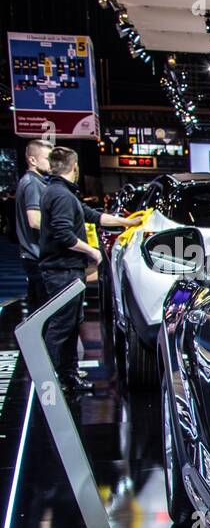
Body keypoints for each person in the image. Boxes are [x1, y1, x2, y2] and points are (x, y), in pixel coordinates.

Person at [38, 146, 141, 394]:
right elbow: (63, 233)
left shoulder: (60, 192)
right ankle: (50, 381)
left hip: (65, 270)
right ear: (74, 167)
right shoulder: (61, 196)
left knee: (71, 324)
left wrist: (127, 222)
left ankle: (68, 376)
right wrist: (92, 252)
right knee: (63, 326)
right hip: (62, 270)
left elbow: (93, 216)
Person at [15, 139, 51, 315]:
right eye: (47, 158)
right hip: (36, 254)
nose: (50, 163)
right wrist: (63, 231)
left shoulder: (31, 181)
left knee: (38, 309)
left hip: (32, 254)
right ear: (32, 160)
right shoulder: (33, 183)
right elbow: (35, 221)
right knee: (43, 312)